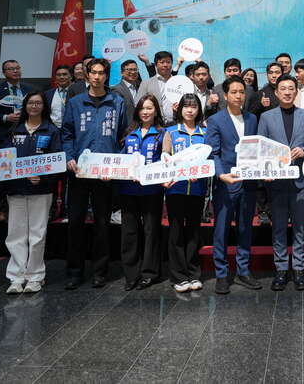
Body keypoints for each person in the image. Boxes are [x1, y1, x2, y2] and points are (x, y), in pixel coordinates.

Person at [61, 58, 128, 290]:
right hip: (78, 171)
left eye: (101, 73)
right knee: (75, 223)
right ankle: (74, 272)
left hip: (104, 174)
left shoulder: (116, 102)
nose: (97, 77)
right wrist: (69, 157)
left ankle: (100, 272)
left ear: (106, 76)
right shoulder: (75, 102)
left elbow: (122, 136)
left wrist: (114, 165)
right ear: (87, 75)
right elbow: (67, 133)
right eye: (93, 73)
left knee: (102, 223)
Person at [0, 91, 62, 295]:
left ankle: (35, 276)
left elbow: (57, 161)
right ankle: (16, 277)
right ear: (25, 106)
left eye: (38, 103)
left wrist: (43, 177)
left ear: (44, 106)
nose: (34, 106)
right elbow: (2, 160)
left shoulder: (51, 130)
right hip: (15, 189)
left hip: (41, 190)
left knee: (37, 234)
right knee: (15, 234)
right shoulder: (14, 130)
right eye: (31, 103)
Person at [258, 76, 304, 291]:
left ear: (296, 91)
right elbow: (261, 146)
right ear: (276, 92)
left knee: (300, 228)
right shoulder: (266, 117)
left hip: (300, 181)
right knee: (279, 228)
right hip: (276, 182)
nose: (287, 92)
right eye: (283, 89)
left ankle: (299, 270)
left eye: (291, 88)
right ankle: (281, 269)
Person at [207, 77, 261, 294]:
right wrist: (221, 175)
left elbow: (257, 149)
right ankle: (221, 274)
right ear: (225, 95)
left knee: (245, 228)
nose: (239, 96)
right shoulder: (216, 120)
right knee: (221, 229)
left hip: (248, 183)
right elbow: (213, 152)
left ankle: (243, 271)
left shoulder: (252, 119)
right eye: (234, 92)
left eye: (242, 92)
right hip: (225, 183)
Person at [162, 94, 208, 292]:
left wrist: (200, 172)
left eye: (194, 106)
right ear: (179, 109)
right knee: (176, 232)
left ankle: (193, 274)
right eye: (186, 106)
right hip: (176, 189)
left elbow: (209, 160)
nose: (190, 110)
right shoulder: (171, 132)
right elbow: (165, 157)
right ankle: (178, 276)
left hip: (198, 189)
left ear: (199, 110)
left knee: (193, 232)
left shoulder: (205, 133)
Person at [119, 94, 165, 290]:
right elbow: (120, 159)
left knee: (151, 231)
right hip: (128, 189)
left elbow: (165, 160)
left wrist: (147, 174)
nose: (145, 112)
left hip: (152, 190)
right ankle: (131, 274)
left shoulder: (162, 134)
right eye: (142, 108)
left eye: (149, 108)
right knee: (129, 232)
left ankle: (149, 273)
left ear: (156, 111)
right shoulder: (129, 133)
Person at [0, 60, 34, 131]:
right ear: (4, 73)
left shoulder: (29, 89)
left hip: (26, 129)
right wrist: (5, 117)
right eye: (11, 69)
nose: (15, 71)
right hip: (4, 131)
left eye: (17, 68)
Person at [137, 51, 176, 120]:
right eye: (162, 62)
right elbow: (138, 103)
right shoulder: (146, 83)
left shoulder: (179, 82)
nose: (165, 65)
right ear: (156, 64)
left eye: (168, 62)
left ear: (172, 64)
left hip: (176, 122)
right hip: (154, 123)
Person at [108, 59, 139, 126]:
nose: (133, 72)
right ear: (122, 73)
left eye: (135, 69)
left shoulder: (140, 87)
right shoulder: (116, 89)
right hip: (126, 128)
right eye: (129, 69)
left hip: (140, 127)